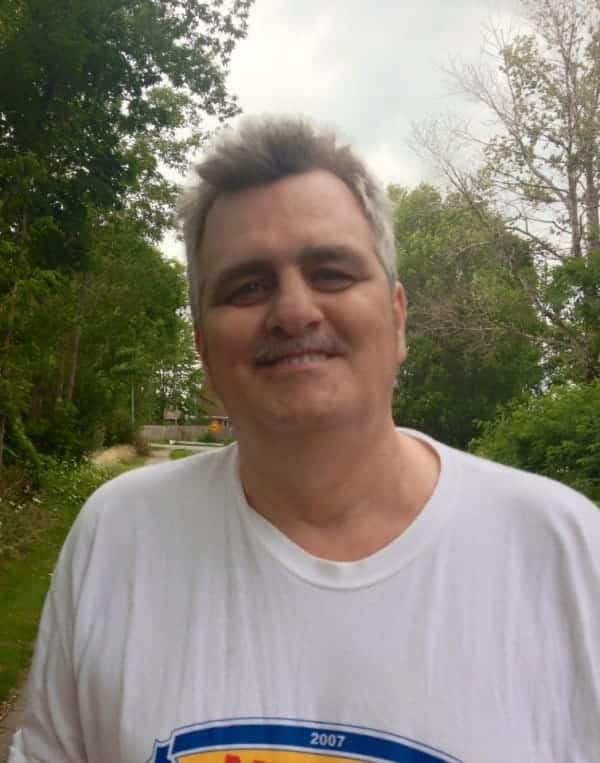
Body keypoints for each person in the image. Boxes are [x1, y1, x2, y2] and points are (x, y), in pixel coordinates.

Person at [9, 116, 600, 763]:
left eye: (332, 273)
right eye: (248, 286)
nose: (293, 312)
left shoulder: (566, 556)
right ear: (204, 348)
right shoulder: (118, 539)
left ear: (397, 318)